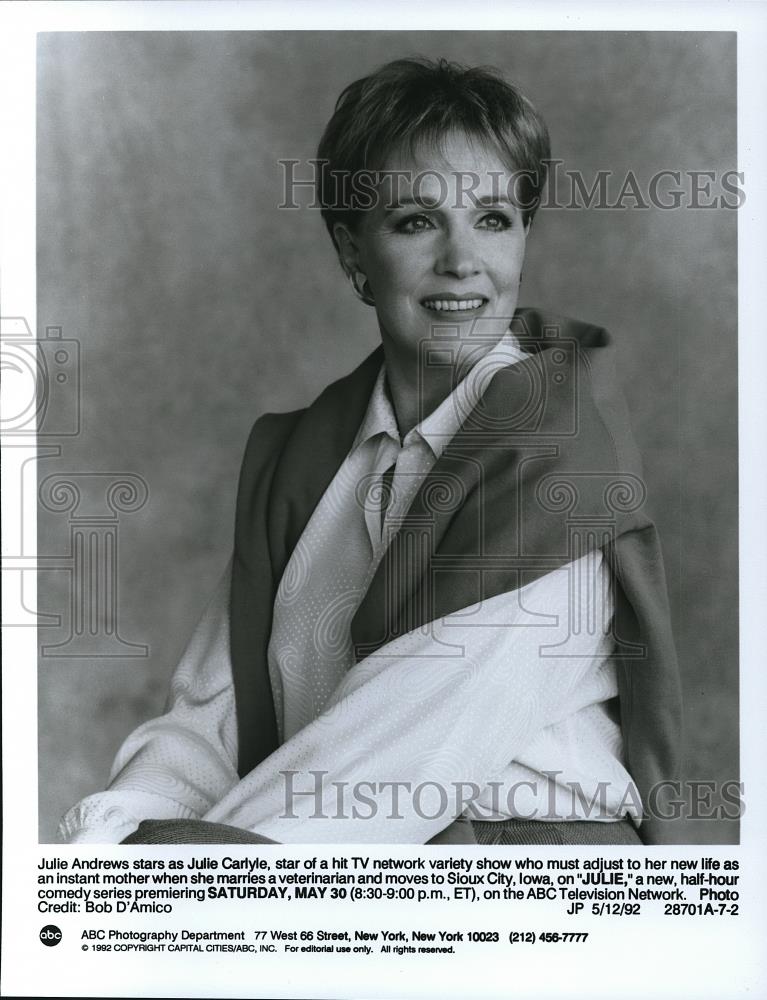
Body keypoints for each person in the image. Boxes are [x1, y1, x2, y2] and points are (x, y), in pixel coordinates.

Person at [60, 57, 682, 847]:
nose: (463, 261)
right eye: (416, 221)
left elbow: (388, 766)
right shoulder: (306, 463)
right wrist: (109, 839)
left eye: (493, 219)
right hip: (322, 878)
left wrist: (174, 878)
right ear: (354, 255)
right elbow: (207, 723)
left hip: (527, 898)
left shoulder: (558, 459)